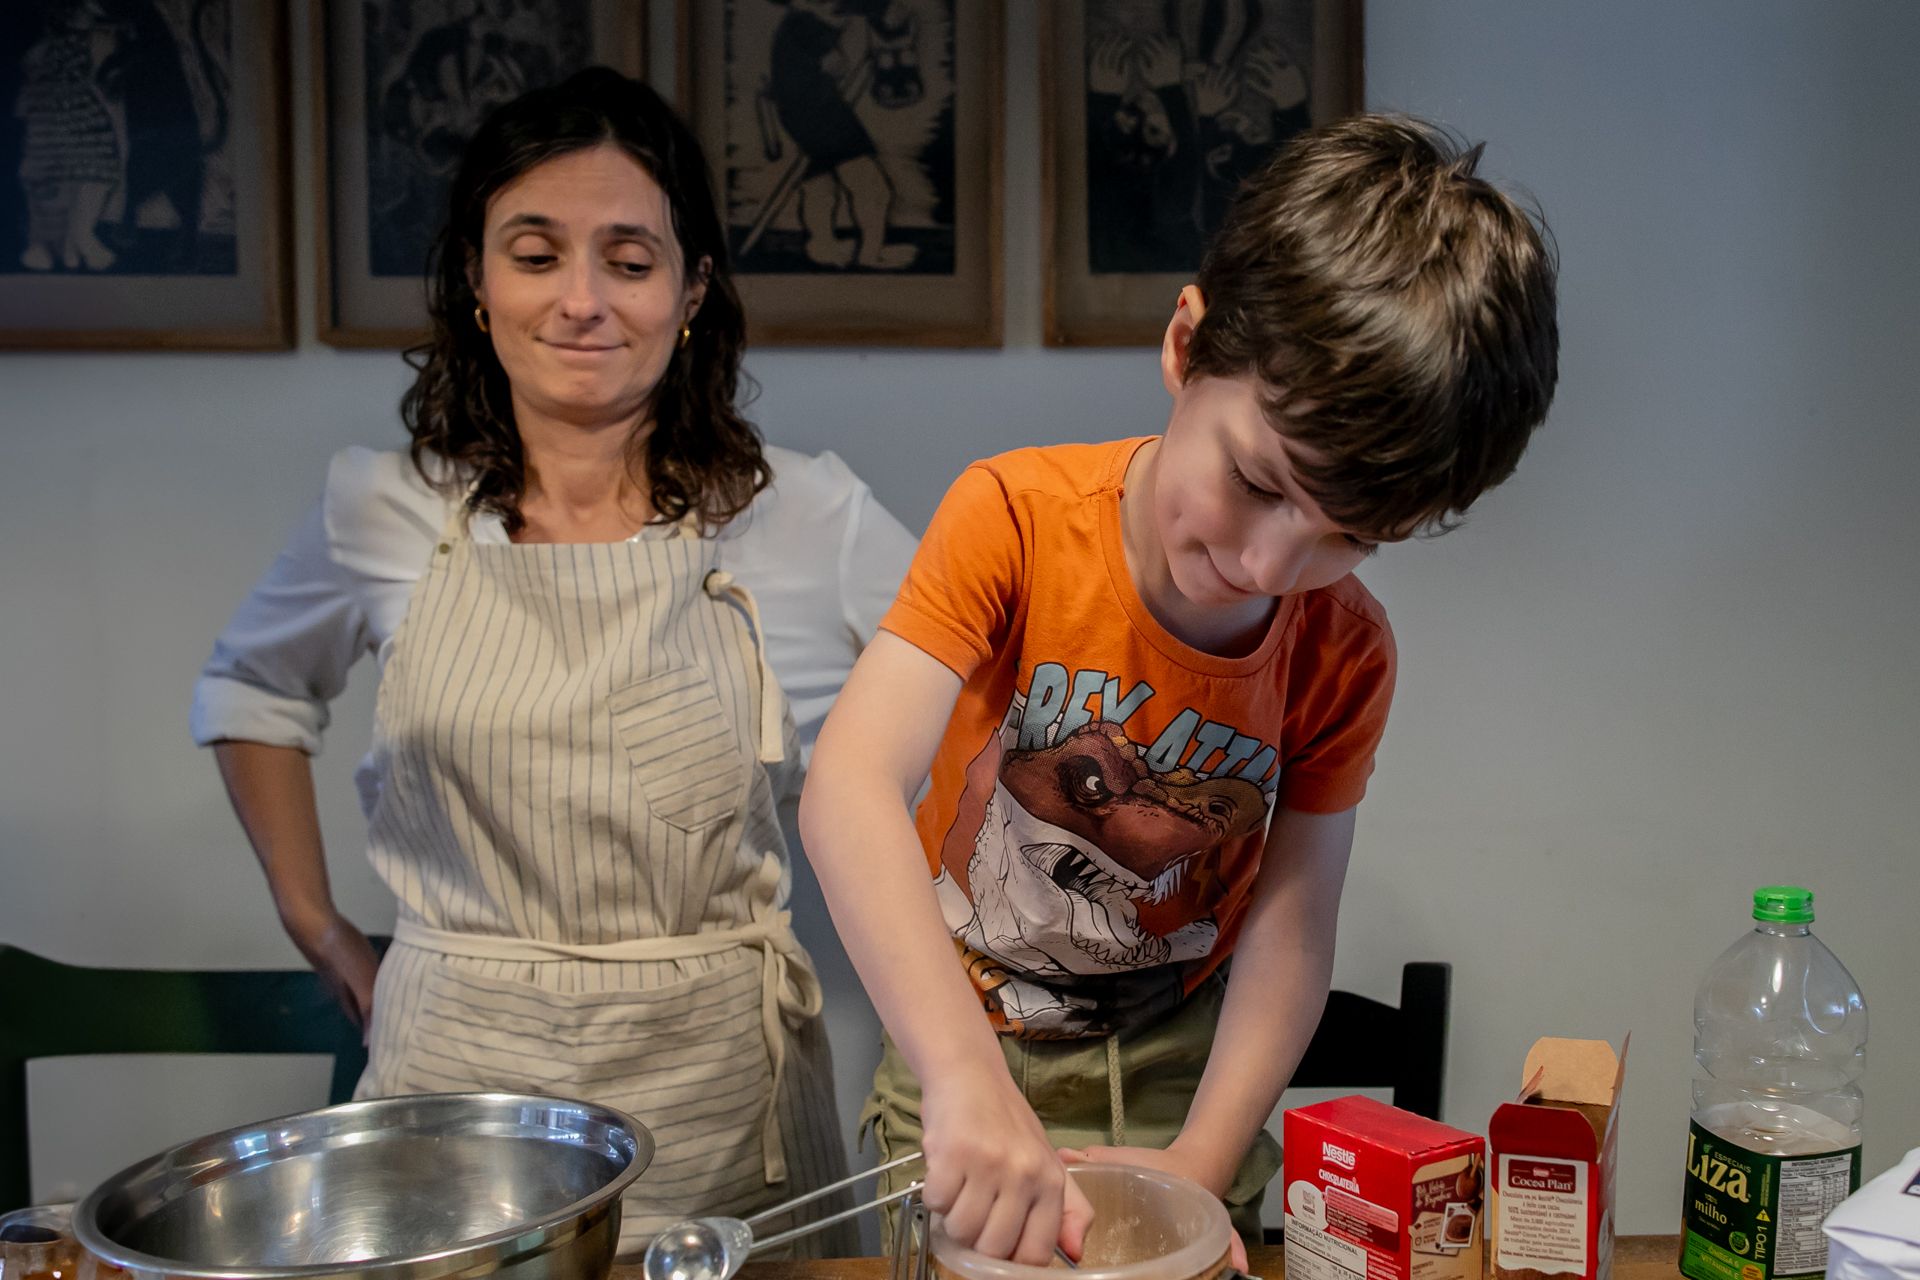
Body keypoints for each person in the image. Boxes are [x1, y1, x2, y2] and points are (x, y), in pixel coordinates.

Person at [799, 114, 1560, 1264]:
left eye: (1345, 534)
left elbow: (1292, 927)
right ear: (1186, 342)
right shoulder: (1010, 519)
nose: (1267, 565)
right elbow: (849, 787)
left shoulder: (1346, 651)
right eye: (1254, 480)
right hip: (965, 1046)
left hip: (1182, 1077)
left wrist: (1206, 1156)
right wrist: (962, 1075)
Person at [191, 67, 913, 1255]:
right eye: (537, 254)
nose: (583, 300)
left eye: (629, 261)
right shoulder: (384, 509)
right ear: (477, 282)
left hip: (721, 1119)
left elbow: (982, 708)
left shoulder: (807, 518)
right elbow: (252, 690)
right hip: (452, 1107)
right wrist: (317, 920)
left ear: (692, 292)